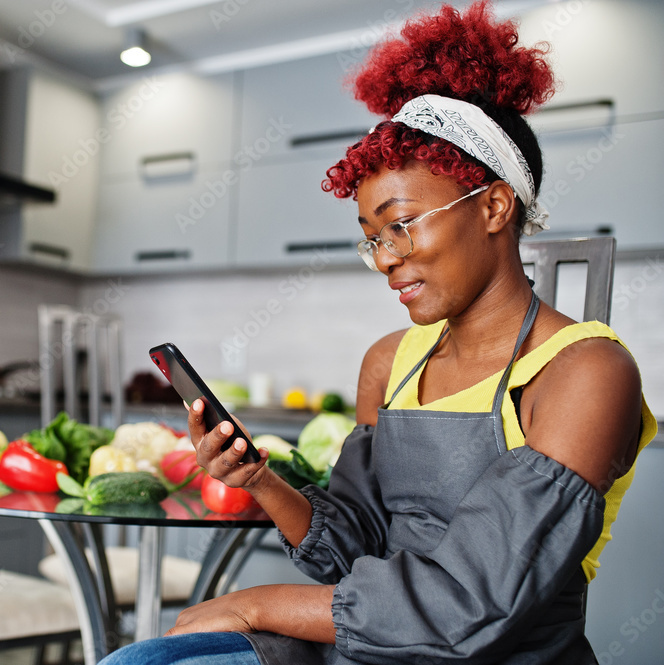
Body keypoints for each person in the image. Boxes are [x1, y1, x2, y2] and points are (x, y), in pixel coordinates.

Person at [99, 2, 657, 663]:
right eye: (371, 239)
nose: (386, 258)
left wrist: (256, 602)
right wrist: (261, 479)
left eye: (402, 224)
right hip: (368, 647)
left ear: (495, 206)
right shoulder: (390, 361)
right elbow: (352, 550)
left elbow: (469, 606)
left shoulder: (586, 371)